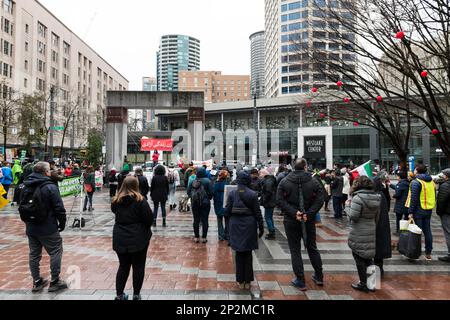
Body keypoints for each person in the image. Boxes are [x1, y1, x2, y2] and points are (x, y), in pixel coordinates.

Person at [277, 159, 325, 291]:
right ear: (305, 167)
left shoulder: (285, 181)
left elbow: (280, 200)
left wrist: (294, 212)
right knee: (312, 247)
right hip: (306, 218)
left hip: (292, 219)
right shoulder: (313, 181)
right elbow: (320, 199)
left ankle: (300, 279)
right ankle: (319, 276)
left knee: (295, 249)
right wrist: (308, 213)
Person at [21, 162, 68, 293]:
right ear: (46, 172)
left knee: (34, 255)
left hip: (31, 227)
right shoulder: (50, 186)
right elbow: (59, 208)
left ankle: (37, 281)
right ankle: (55, 281)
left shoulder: (26, 185)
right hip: (48, 226)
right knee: (55, 251)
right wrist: (62, 223)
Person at [112, 176, 153, 300]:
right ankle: (136, 294)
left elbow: (116, 213)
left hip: (120, 237)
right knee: (138, 266)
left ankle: (119, 294)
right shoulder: (141, 200)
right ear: (137, 186)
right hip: (138, 238)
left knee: (123, 266)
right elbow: (149, 219)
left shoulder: (116, 201)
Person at [224, 171, 264, 290]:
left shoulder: (232, 194)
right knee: (248, 253)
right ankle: (248, 281)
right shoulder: (252, 194)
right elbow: (258, 213)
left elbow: (227, 212)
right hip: (249, 225)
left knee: (239, 253)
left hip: (235, 224)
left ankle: (240, 281)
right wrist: (261, 227)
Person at [346, 176, 381, 293]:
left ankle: (363, 284)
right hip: (371, 228)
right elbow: (377, 217)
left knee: (358, 256)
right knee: (369, 257)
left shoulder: (357, 198)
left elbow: (353, 217)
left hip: (359, 231)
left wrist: (347, 206)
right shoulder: (377, 197)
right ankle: (372, 284)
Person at [406, 164, 437, 261]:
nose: (413, 171)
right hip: (428, 209)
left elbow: (413, 199)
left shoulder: (416, 182)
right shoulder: (431, 181)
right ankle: (428, 252)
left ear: (417, 171)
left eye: (415, 169)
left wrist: (410, 212)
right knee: (427, 231)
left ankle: (415, 253)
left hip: (418, 211)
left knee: (416, 233)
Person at [187, 167, 213, 243]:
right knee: (205, 220)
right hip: (205, 203)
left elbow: (188, 192)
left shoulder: (193, 181)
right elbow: (211, 192)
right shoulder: (208, 181)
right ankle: (204, 237)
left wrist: (193, 198)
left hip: (195, 203)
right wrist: (208, 198)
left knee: (196, 220)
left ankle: (196, 237)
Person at [373, 175, 392, 275]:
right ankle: (379, 269)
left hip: (376, 226)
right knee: (379, 249)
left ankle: (376, 272)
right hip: (382, 225)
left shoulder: (376, 196)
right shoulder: (382, 194)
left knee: (376, 249)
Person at [260, 169, 277, 240]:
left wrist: (264, 200)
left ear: (264, 173)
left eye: (260, 173)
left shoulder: (268, 181)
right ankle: (272, 231)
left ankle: (271, 232)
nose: (260, 175)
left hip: (269, 202)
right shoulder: (270, 180)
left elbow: (268, 192)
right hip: (271, 201)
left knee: (267, 217)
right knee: (269, 217)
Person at [437, 169, 450, 263]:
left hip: (447, 213)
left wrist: (439, 212)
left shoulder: (445, 185)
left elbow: (441, 201)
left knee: (448, 233)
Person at [214, 170, 229, 241]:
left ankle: (221, 236)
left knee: (219, 221)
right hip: (226, 205)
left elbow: (213, 194)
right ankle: (227, 235)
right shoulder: (228, 184)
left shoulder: (216, 184)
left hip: (218, 204)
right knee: (227, 220)